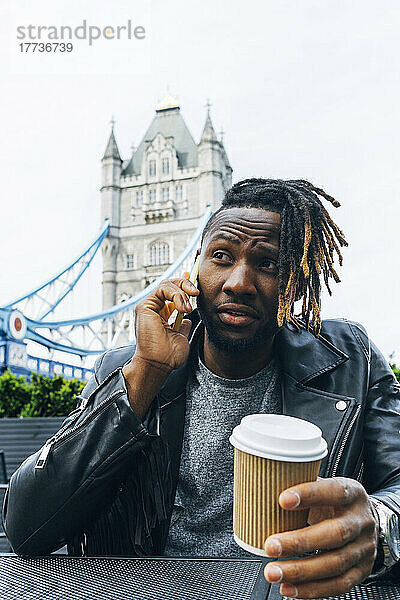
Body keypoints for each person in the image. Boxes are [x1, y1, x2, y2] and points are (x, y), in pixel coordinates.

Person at [3, 178, 400, 599]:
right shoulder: (125, 368)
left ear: (296, 283)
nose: (238, 283)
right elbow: (27, 527)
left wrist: (378, 522)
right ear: (195, 267)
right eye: (222, 257)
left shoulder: (350, 360)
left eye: (267, 264)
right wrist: (143, 377)